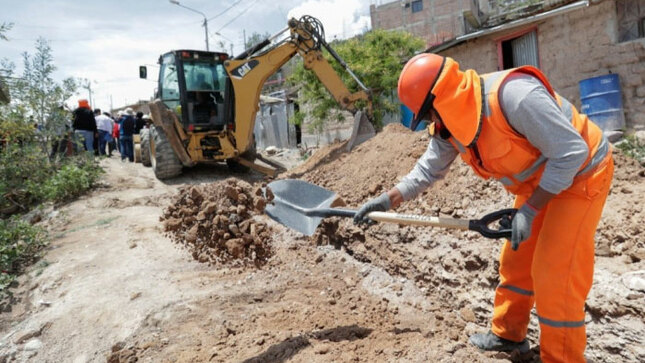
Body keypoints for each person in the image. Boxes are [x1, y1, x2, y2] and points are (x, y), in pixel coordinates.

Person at [354, 54, 613, 363]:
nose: (432, 123)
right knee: (516, 260)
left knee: (555, 275)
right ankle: (509, 336)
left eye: (429, 114)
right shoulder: (452, 125)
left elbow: (571, 153)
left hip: (581, 174)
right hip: (540, 184)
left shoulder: (515, 97)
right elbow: (427, 171)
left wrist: (529, 212)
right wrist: (388, 199)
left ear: (443, 100)